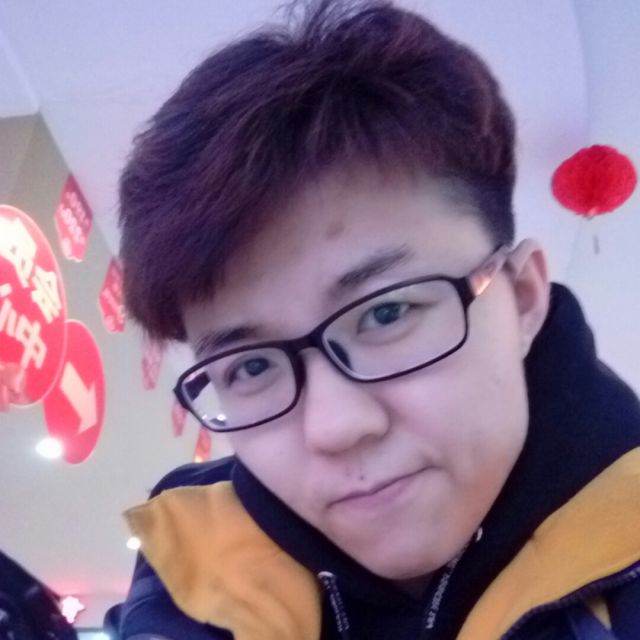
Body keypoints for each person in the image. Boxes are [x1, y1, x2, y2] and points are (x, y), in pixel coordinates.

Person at [106, 1, 640, 638]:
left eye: (387, 313)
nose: (335, 428)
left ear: (522, 297)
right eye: (249, 367)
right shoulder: (187, 566)